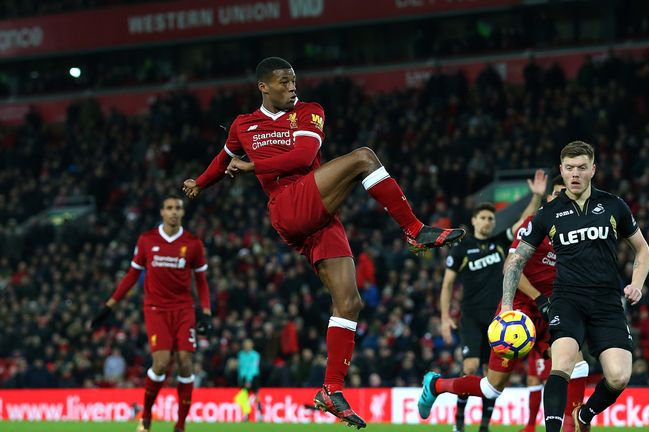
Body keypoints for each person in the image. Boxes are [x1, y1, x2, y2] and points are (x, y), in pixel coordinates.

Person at [182, 57, 465, 429]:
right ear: (263, 87)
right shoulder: (243, 125)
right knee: (364, 158)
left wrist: (253, 167)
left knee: (349, 302)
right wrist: (200, 183)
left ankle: (330, 390)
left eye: (294, 80)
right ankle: (413, 229)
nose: (292, 87)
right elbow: (223, 159)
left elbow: (301, 156)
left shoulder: (310, 112)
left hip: (318, 214)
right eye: (283, 82)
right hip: (287, 205)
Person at [497, 141, 649, 432]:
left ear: (593, 169)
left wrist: (637, 284)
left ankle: (585, 415)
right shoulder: (548, 213)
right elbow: (515, 262)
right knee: (562, 364)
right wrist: (507, 307)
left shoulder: (613, 205)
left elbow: (643, 250)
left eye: (582, 167)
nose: (575, 174)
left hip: (607, 301)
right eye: (569, 168)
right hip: (567, 299)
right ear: (561, 171)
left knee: (619, 376)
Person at [419, 175, 589, 432]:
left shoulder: (577, 232)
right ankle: (436, 386)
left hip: (552, 310)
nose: (564, 197)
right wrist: (536, 299)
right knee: (491, 388)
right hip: (519, 310)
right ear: (551, 197)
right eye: (558, 193)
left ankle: (572, 426)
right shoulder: (535, 225)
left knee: (576, 363)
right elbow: (511, 268)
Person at [90, 195, 212, 432]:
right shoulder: (147, 240)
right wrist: (109, 306)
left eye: (178, 208)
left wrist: (205, 313)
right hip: (156, 309)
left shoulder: (193, 243)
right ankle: (145, 416)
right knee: (162, 363)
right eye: (169, 208)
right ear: (162, 212)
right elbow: (132, 275)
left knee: (186, 364)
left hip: (184, 308)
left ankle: (180, 425)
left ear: (183, 213)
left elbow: (202, 281)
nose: (174, 212)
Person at [436, 170, 546, 432]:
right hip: (472, 316)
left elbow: (524, 223)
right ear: (474, 221)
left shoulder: (499, 243)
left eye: (490, 218)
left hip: (499, 318)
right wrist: (444, 317)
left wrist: (537, 196)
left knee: (491, 374)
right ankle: (460, 424)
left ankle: (484, 426)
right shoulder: (462, 248)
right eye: (483, 218)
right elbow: (448, 284)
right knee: (471, 367)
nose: (487, 222)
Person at [237, 339, 262, 422]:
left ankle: (259, 414)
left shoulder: (255, 355)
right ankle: (245, 414)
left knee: (256, 394)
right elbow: (241, 368)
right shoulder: (241, 355)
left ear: (251, 345)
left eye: (248, 345)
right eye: (245, 345)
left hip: (253, 376)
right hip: (243, 377)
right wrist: (241, 378)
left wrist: (249, 380)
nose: (246, 346)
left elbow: (253, 367)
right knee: (244, 396)